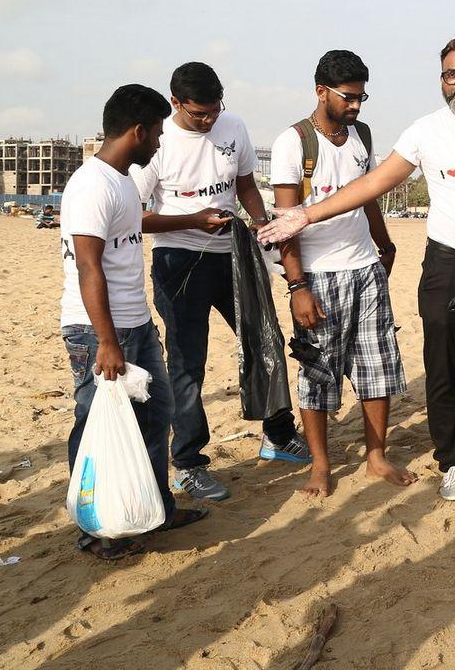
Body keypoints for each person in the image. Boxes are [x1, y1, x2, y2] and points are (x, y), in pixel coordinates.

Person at [259, 36, 455, 504]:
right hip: (445, 266)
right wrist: (307, 215)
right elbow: (374, 183)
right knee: (442, 370)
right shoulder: (423, 131)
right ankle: (451, 461)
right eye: (452, 75)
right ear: (442, 82)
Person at [134, 62, 306, 503]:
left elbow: (246, 183)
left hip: (234, 255)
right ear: (176, 103)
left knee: (264, 342)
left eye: (215, 111)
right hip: (179, 260)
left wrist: (264, 224)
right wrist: (193, 220)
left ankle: (278, 436)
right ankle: (189, 464)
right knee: (188, 364)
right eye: (199, 115)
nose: (209, 120)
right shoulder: (158, 141)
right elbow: (135, 216)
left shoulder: (234, 126)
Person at [61, 84, 208, 560]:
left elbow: (135, 224)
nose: (161, 142)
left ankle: (154, 511)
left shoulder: (122, 180)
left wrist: (193, 220)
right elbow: (89, 267)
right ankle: (97, 528)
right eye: (158, 132)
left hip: (137, 324)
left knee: (156, 416)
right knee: (97, 425)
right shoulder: (91, 185)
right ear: (138, 131)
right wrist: (106, 340)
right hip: (98, 330)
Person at [268, 50, 414, 498]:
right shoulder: (292, 143)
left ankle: (375, 456)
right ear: (321, 91)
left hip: (365, 270)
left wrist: (384, 244)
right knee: (317, 371)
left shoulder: (360, 136)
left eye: (361, 97)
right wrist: (298, 287)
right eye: (349, 97)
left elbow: (367, 195)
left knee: (377, 365)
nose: (356, 106)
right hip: (317, 275)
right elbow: (286, 220)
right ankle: (320, 464)